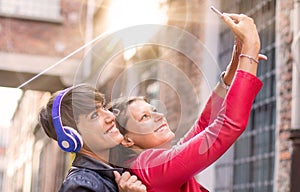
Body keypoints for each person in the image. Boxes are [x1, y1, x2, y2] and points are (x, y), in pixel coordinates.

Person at [107, 13, 266, 192]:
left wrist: (233, 69)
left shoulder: (151, 164)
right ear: (127, 140)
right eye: (145, 117)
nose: (159, 116)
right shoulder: (149, 167)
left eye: (154, 110)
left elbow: (203, 126)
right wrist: (251, 49)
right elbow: (227, 126)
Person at [38, 84, 147, 192]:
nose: (111, 116)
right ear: (72, 137)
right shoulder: (80, 187)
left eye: (103, 108)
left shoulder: (116, 167)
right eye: (94, 115)